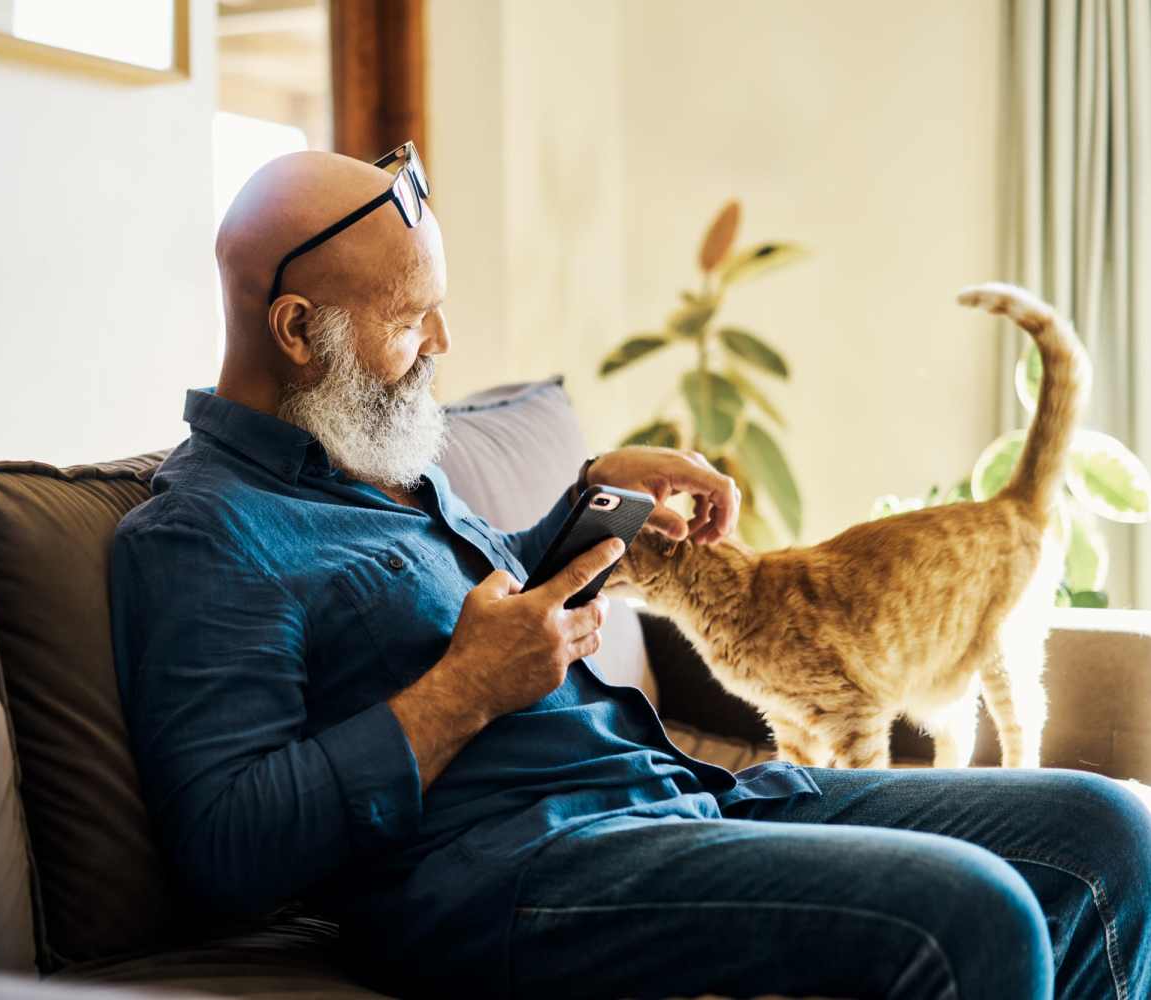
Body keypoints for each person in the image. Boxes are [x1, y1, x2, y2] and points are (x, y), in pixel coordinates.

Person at [109, 145, 1150, 1000]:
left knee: (1111, 830)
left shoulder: (372, 454)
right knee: (979, 911)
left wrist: (590, 501)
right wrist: (459, 696)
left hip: (665, 797)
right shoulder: (204, 535)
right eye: (407, 320)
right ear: (297, 331)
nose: (444, 341)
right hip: (514, 873)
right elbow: (226, 841)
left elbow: (462, 605)